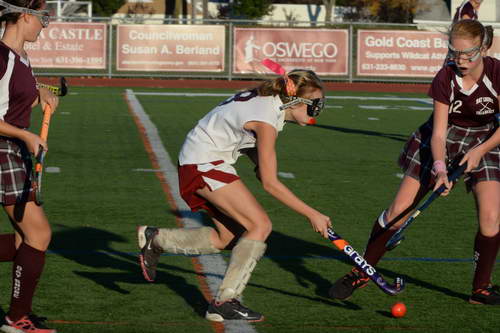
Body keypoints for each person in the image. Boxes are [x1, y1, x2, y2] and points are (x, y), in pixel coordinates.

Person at [137, 68, 332, 322]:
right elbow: (271, 184)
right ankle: (224, 302)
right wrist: (312, 214)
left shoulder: (268, 106)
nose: (318, 111)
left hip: (202, 160)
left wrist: (260, 165)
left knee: (226, 237)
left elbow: (245, 142)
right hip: (204, 162)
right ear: (295, 101)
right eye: (315, 105)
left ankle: (157, 240)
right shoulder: (266, 119)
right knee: (260, 225)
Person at [329, 19, 499, 305]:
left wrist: (481, 150)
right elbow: (440, 133)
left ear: (483, 47)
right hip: (441, 140)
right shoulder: (445, 77)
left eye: (467, 54)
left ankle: (480, 289)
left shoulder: (497, 72)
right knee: (399, 211)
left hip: (487, 140)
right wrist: (441, 169)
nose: (460, 60)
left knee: (492, 217)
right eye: (454, 53)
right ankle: (362, 271)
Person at [0, 1, 58, 332]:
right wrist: (26, 134)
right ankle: (15, 318)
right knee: (39, 234)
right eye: (42, 17)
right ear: (24, 15)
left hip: (13, 149)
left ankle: (18, 314)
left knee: (28, 240)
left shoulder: (21, 57)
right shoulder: (2, 57)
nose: (44, 25)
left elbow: (13, 98)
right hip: (4, 149)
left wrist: (41, 92)